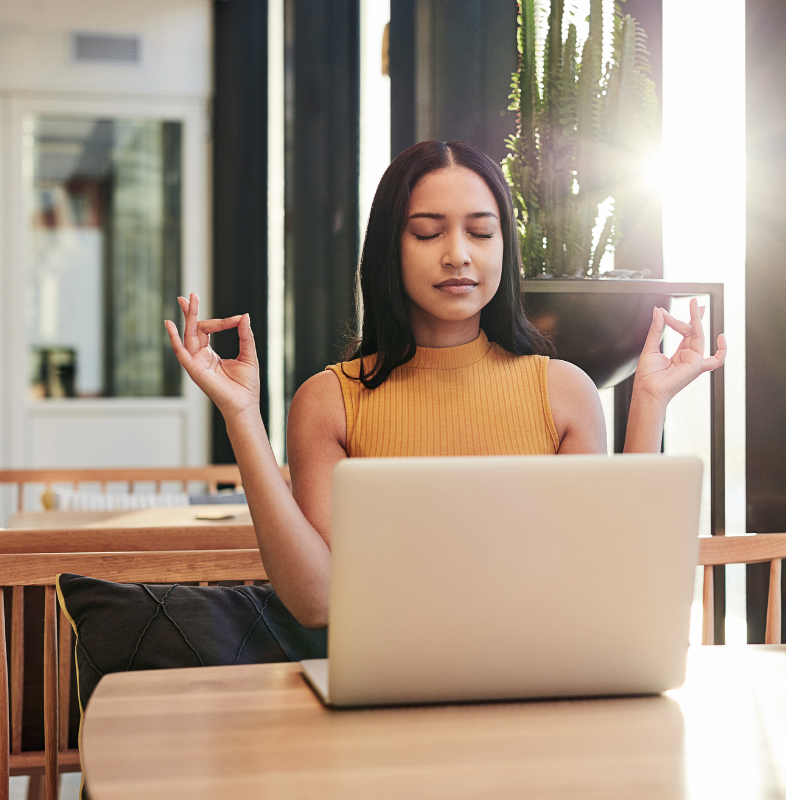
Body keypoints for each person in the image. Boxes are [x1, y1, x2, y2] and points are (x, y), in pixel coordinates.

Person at [166, 140, 726, 632]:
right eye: (429, 232)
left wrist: (649, 402)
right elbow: (318, 603)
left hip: (543, 683)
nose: (458, 253)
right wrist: (241, 415)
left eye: (481, 232)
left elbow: (609, 579)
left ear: (504, 247)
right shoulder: (329, 400)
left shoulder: (563, 391)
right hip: (388, 694)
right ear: (390, 247)